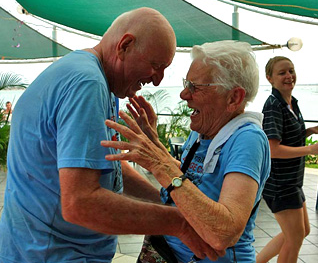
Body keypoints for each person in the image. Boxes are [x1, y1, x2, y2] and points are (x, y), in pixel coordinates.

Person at [0, 7, 219, 263]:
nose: (157, 81)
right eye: (156, 66)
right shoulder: (86, 84)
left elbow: (107, 166)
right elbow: (80, 203)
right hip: (50, 254)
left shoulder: (99, 81)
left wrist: (167, 202)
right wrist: (179, 224)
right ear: (125, 45)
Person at [101, 40, 271, 262]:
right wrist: (154, 145)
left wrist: (161, 165)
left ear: (233, 98)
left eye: (195, 87)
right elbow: (190, 182)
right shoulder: (203, 129)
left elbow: (224, 232)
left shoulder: (247, 139)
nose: (183, 94)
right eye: (186, 83)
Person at [256, 56, 318, 263]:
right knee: (295, 237)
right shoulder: (273, 105)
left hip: (292, 181)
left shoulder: (291, 102)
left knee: (302, 231)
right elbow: (273, 149)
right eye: (282, 73)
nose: (289, 76)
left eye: (291, 71)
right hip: (281, 184)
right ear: (270, 78)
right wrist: (311, 149)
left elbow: (287, 136)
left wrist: (311, 130)